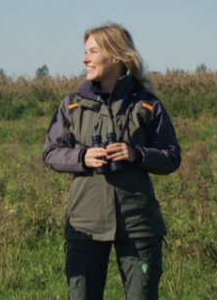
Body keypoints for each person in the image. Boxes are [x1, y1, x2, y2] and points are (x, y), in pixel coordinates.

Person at [43, 23, 181, 299]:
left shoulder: (146, 105)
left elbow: (171, 156)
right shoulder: (72, 105)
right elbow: (51, 152)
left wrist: (137, 154)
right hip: (86, 224)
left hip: (138, 223)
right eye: (85, 51)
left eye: (93, 51)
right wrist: (82, 157)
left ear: (117, 56)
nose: (85, 58)